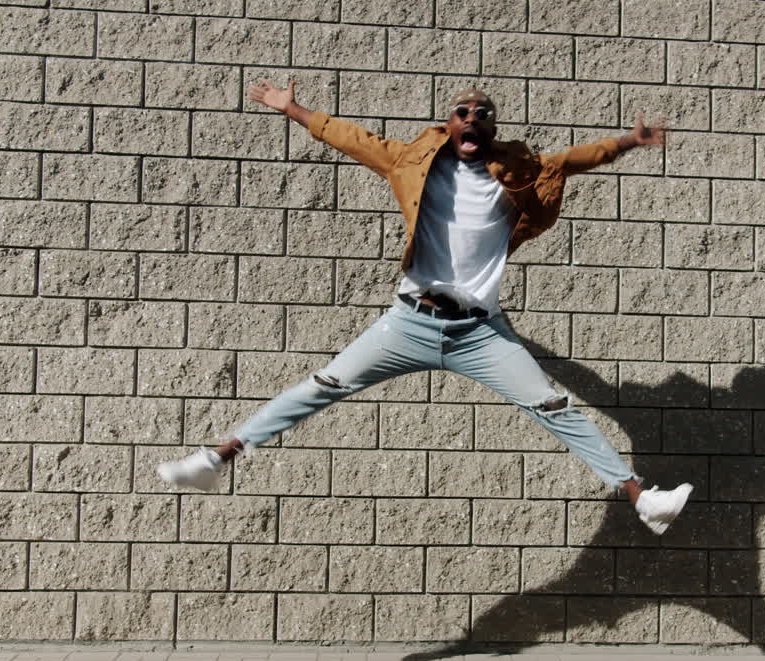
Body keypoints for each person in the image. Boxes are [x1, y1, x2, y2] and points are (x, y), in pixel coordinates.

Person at [158, 82, 693, 535]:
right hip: (409, 323)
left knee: (554, 407)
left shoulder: (520, 171)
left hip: (480, 333)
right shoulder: (412, 161)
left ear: (492, 128)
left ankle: (642, 500)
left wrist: (628, 141)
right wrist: (293, 109)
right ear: (449, 123)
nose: (473, 118)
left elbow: (573, 160)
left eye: (483, 113)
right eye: (463, 111)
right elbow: (353, 139)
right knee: (321, 386)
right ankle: (216, 459)